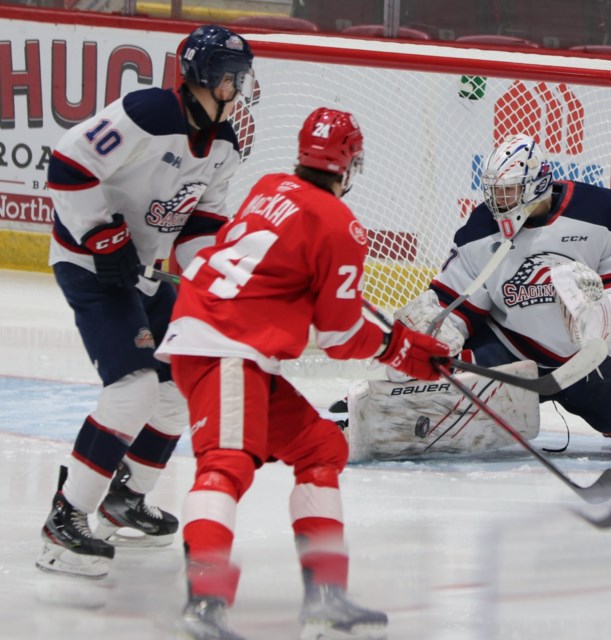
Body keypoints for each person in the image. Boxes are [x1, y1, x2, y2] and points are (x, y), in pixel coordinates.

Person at [155, 106, 450, 640]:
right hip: (225, 347)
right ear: (350, 164)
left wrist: (393, 341)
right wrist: (401, 349)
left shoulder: (270, 185)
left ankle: (325, 598)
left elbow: (291, 284)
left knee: (321, 449)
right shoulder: (340, 225)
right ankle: (204, 605)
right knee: (225, 464)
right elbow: (337, 338)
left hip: (219, 338)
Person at [37, 24, 255, 579]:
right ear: (204, 76)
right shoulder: (148, 113)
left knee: (183, 380)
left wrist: (215, 277)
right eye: (234, 77)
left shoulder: (225, 146)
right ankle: (66, 518)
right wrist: (101, 233)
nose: (241, 87)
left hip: (139, 273)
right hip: (88, 263)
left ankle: (124, 498)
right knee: (133, 389)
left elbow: (200, 226)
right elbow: (68, 163)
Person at [371, 133, 611, 464]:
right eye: (494, 192)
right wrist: (431, 335)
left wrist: (600, 318)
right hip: (510, 351)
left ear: (536, 183)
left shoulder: (602, 211)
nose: (498, 203)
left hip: (588, 361)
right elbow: (457, 297)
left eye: (507, 192)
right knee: (428, 388)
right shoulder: (480, 230)